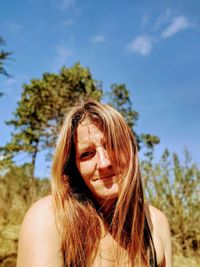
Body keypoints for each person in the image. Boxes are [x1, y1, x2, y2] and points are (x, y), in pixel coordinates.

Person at [17, 101, 172, 267]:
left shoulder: (156, 223)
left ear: (131, 150)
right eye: (87, 154)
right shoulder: (48, 218)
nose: (104, 163)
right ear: (74, 167)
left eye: (113, 145)